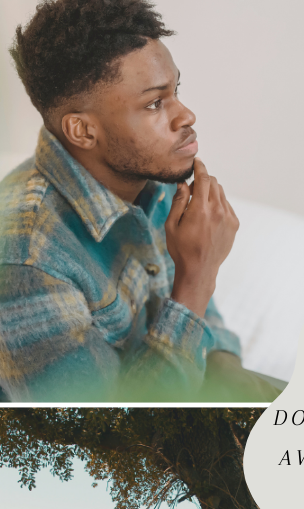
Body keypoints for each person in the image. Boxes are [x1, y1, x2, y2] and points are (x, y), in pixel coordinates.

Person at [0, 0, 281, 402]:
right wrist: (197, 277)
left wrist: (227, 370)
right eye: (154, 103)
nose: (186, 116)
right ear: (82, 130)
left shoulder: (148, 173)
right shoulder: (26, 263)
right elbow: (107, 442)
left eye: (176, 91)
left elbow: (199, 319)